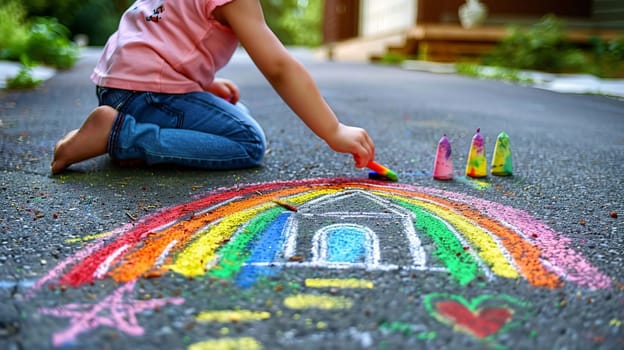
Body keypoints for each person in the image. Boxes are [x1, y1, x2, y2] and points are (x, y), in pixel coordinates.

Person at [51, 0, 375, 174]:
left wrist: (203, 82)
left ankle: (124, 129)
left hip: (120, 87)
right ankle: (121, 135)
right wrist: (333, 129)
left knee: (238, 111)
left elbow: (167, 36)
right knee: (248, 142)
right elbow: (278, 68)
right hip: (146, 93)